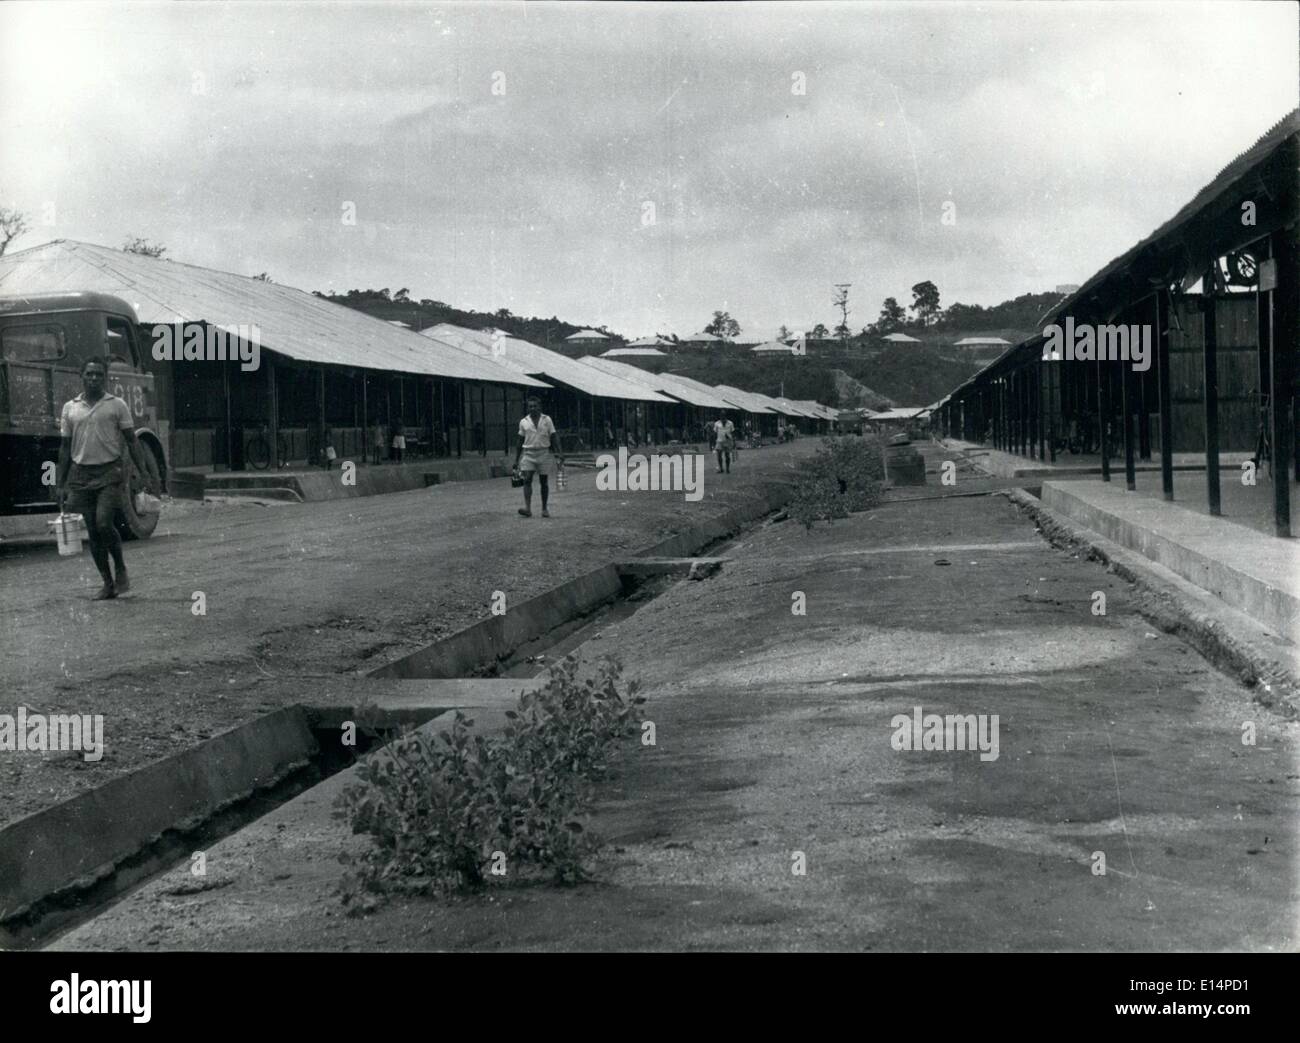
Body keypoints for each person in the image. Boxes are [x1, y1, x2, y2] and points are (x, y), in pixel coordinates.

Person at [57, 358, 160, 600]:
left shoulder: (117, 405)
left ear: (105, 378)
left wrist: (143, 472)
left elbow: (132, 440)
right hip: (81, 475)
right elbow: (64, 448)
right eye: (89, 374)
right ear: (81, 376)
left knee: (104, 523)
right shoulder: (70, 408)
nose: (93, 378)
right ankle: (107, 582)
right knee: (93, 531)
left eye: (98, 375)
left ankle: (121, 567)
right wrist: (59, 484)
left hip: (110, 472)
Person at [513, 395, 563, 518]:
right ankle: (528, 508)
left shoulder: (547, 420)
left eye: (535, 406)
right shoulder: (523, 422)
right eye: (530, 406)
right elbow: (519, 441)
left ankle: (544, 508)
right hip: (528, 453)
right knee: (527, 479)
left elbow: (554, 437)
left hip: (543, 453)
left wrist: (559, 452)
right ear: (528, 408)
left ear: (539, 407)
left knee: (543, 481)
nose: (533, 408)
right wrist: (516, 460)